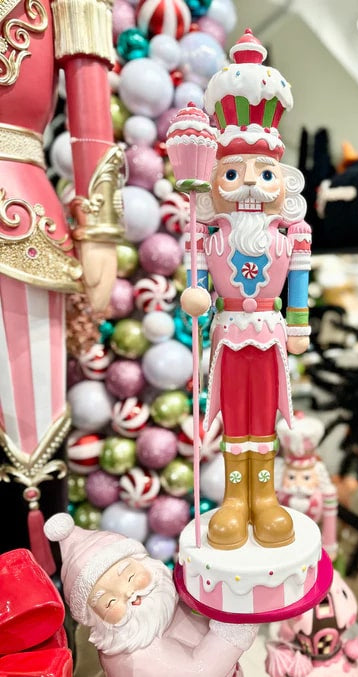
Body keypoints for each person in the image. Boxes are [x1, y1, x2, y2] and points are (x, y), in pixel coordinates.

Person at [0, 0, 123, 565]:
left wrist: (99, 229)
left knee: (29, 434)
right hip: (24, 219)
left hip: (22, 224)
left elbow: (88, 89)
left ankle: (34, 591)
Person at [180, 29, 312, 551]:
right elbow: (196, 286)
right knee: (234, 413)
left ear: (284, 180)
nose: (251, 184)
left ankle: (266, 496)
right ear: (214, 180)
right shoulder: (207, 233)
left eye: (264, 173)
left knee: (267, 414)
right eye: (233, 173)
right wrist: (195, 296)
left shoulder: (291, 234)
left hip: (271, 331)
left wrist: (298, 325)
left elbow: (297, 283)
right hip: (229, 330)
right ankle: (236, 498)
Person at [44, 512, 257, 677]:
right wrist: (238, 619)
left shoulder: (165, 598)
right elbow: (200, 671)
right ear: (95, 617)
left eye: (130, 577)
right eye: (110, 602)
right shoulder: (134, 656)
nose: (129, 594)